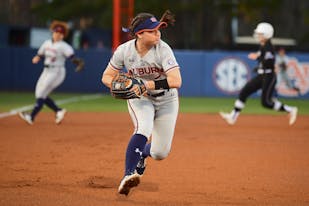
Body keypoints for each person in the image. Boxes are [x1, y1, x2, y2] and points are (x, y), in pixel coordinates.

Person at [101, 10, 182, 195]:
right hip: (140, 98)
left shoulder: (163, 49)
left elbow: (176, 81)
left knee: (160, 153)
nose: (158, 33)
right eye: (152, 31)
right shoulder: (124, 50)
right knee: (143, 128)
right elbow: (106, 77)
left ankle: (142, 155)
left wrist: (146, 84)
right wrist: (117, 85)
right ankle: (128, 175)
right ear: (139, 34)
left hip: (167, 99)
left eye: (158, 29)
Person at [219, 22, 298, 126]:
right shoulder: (263, 46)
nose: (258, 36)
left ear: (266, 35)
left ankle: (291, 109)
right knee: (244, 92)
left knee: (266, 103)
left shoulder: (268, 47)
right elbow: (264, 59)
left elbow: (269, 62)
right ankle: (233, 116)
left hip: (269, 76)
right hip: (262, 75)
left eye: (260, 34)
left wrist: (258, 58)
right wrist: (259, 64)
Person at [19, 20, 84, 125]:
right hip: (46, 70)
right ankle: (58, 111)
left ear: (63, 35)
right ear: (53, 33)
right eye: (56, 32)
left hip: (57, 72)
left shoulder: (64, 46)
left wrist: (77, 63)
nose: (57, 34)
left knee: (41, 93)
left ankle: (31, 117)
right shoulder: (47, 43)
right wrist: (37, 57)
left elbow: (72, 57)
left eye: (60, 33)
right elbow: (40, 53)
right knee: (39, 94)